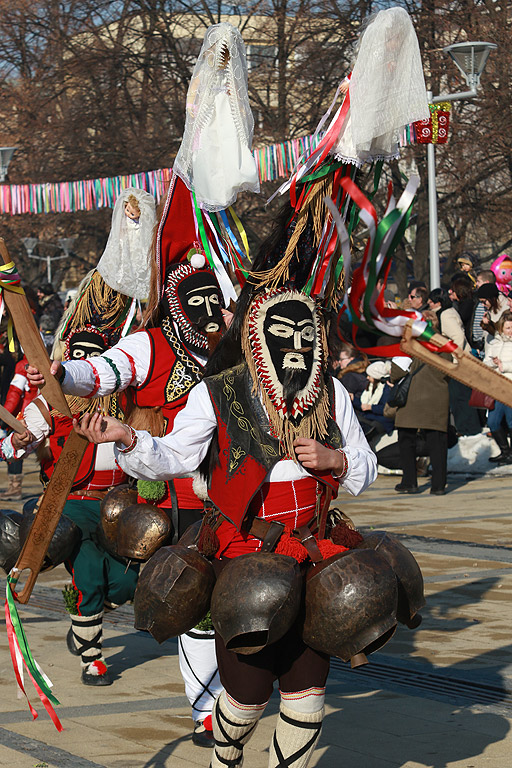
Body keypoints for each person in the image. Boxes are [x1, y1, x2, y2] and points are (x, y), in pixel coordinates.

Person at [427, 288, 480, 437]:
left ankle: (467, 430)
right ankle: (467, 429)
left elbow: (457, 336)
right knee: (460, 397)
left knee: (460, 398)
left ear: (438, 302)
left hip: (459, 362)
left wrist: (454, 359)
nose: (429, 304)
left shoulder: (445, 314)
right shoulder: (449, 311)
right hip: (461, 360)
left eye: (431, 302)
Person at [392, 356, 450, 495]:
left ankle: (409, 482)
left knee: (406, 442)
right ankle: (438, 485)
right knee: (438, 444)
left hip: (411, 400)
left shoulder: (408, 346)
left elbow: (395, 374)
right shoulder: (443, 346)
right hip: (437, 398)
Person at [483, 311, 512, 464]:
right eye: (507, 328)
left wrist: (504, 366)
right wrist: (493, 363)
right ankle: (505, 451)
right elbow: (485, 362)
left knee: (511, 421)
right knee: (493, 421)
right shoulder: (494, 342)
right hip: (496, 388)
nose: (510, 331)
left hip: (510, 387)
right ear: (501, 328)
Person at [37, 282, 64, 353]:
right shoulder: (42, 303)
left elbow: (58, 317)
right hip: (44, 333)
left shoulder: (54, 303)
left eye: (40, 292)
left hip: (52, 335)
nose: (38, 294)